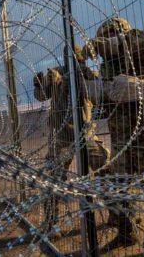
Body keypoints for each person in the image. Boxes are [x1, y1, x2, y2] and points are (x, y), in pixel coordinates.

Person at [84, 18, 144, 248]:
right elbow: (106, 105)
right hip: (121, 138)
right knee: (117, 188)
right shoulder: (108, 66)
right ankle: (127, 233)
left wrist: (108, 44)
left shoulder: (140, 45)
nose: (103, 49)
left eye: (108, 37)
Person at [33, 45, 110, 236]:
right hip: (61, 137)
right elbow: (42, 95)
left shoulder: (87, 75)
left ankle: (118, 215)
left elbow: (99, 94)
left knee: (106, 169)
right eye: (71, 57)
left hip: (84, 134)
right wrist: (39, 85)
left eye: (77, 58)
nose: (75, 61)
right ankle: (51, 225)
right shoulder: (56, 74)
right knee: (53, 178)